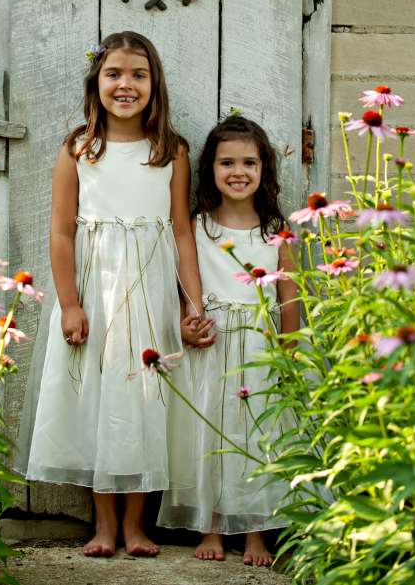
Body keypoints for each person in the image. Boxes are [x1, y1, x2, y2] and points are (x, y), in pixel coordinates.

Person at [19, 31, 204, 558]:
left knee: (148, 402)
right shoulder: (79, 147)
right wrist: (70, 303)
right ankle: (102, 525)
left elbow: (182, 231)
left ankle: (137, 524)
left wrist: (192, 305)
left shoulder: (171, 150)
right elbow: (60, 230)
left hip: (149, 292)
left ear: (155, 84)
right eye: (114, 74)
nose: (126, 85)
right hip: (95, 291)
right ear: (96, 81)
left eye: (138, 75)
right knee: (95, 401)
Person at [158, 115, 299, 567]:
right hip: (212, 349)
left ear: (265, 170)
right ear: (210, 169)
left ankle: (256, 531)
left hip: (259, 348)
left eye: (249, 162)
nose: (238, 172)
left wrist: (290, 347)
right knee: (211, 435)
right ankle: (212, 525)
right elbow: (183, 286)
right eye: (226, 163)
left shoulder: (276, 230)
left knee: (258, 438)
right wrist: (186, 325)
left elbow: (288, 295)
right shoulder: (199, 228)